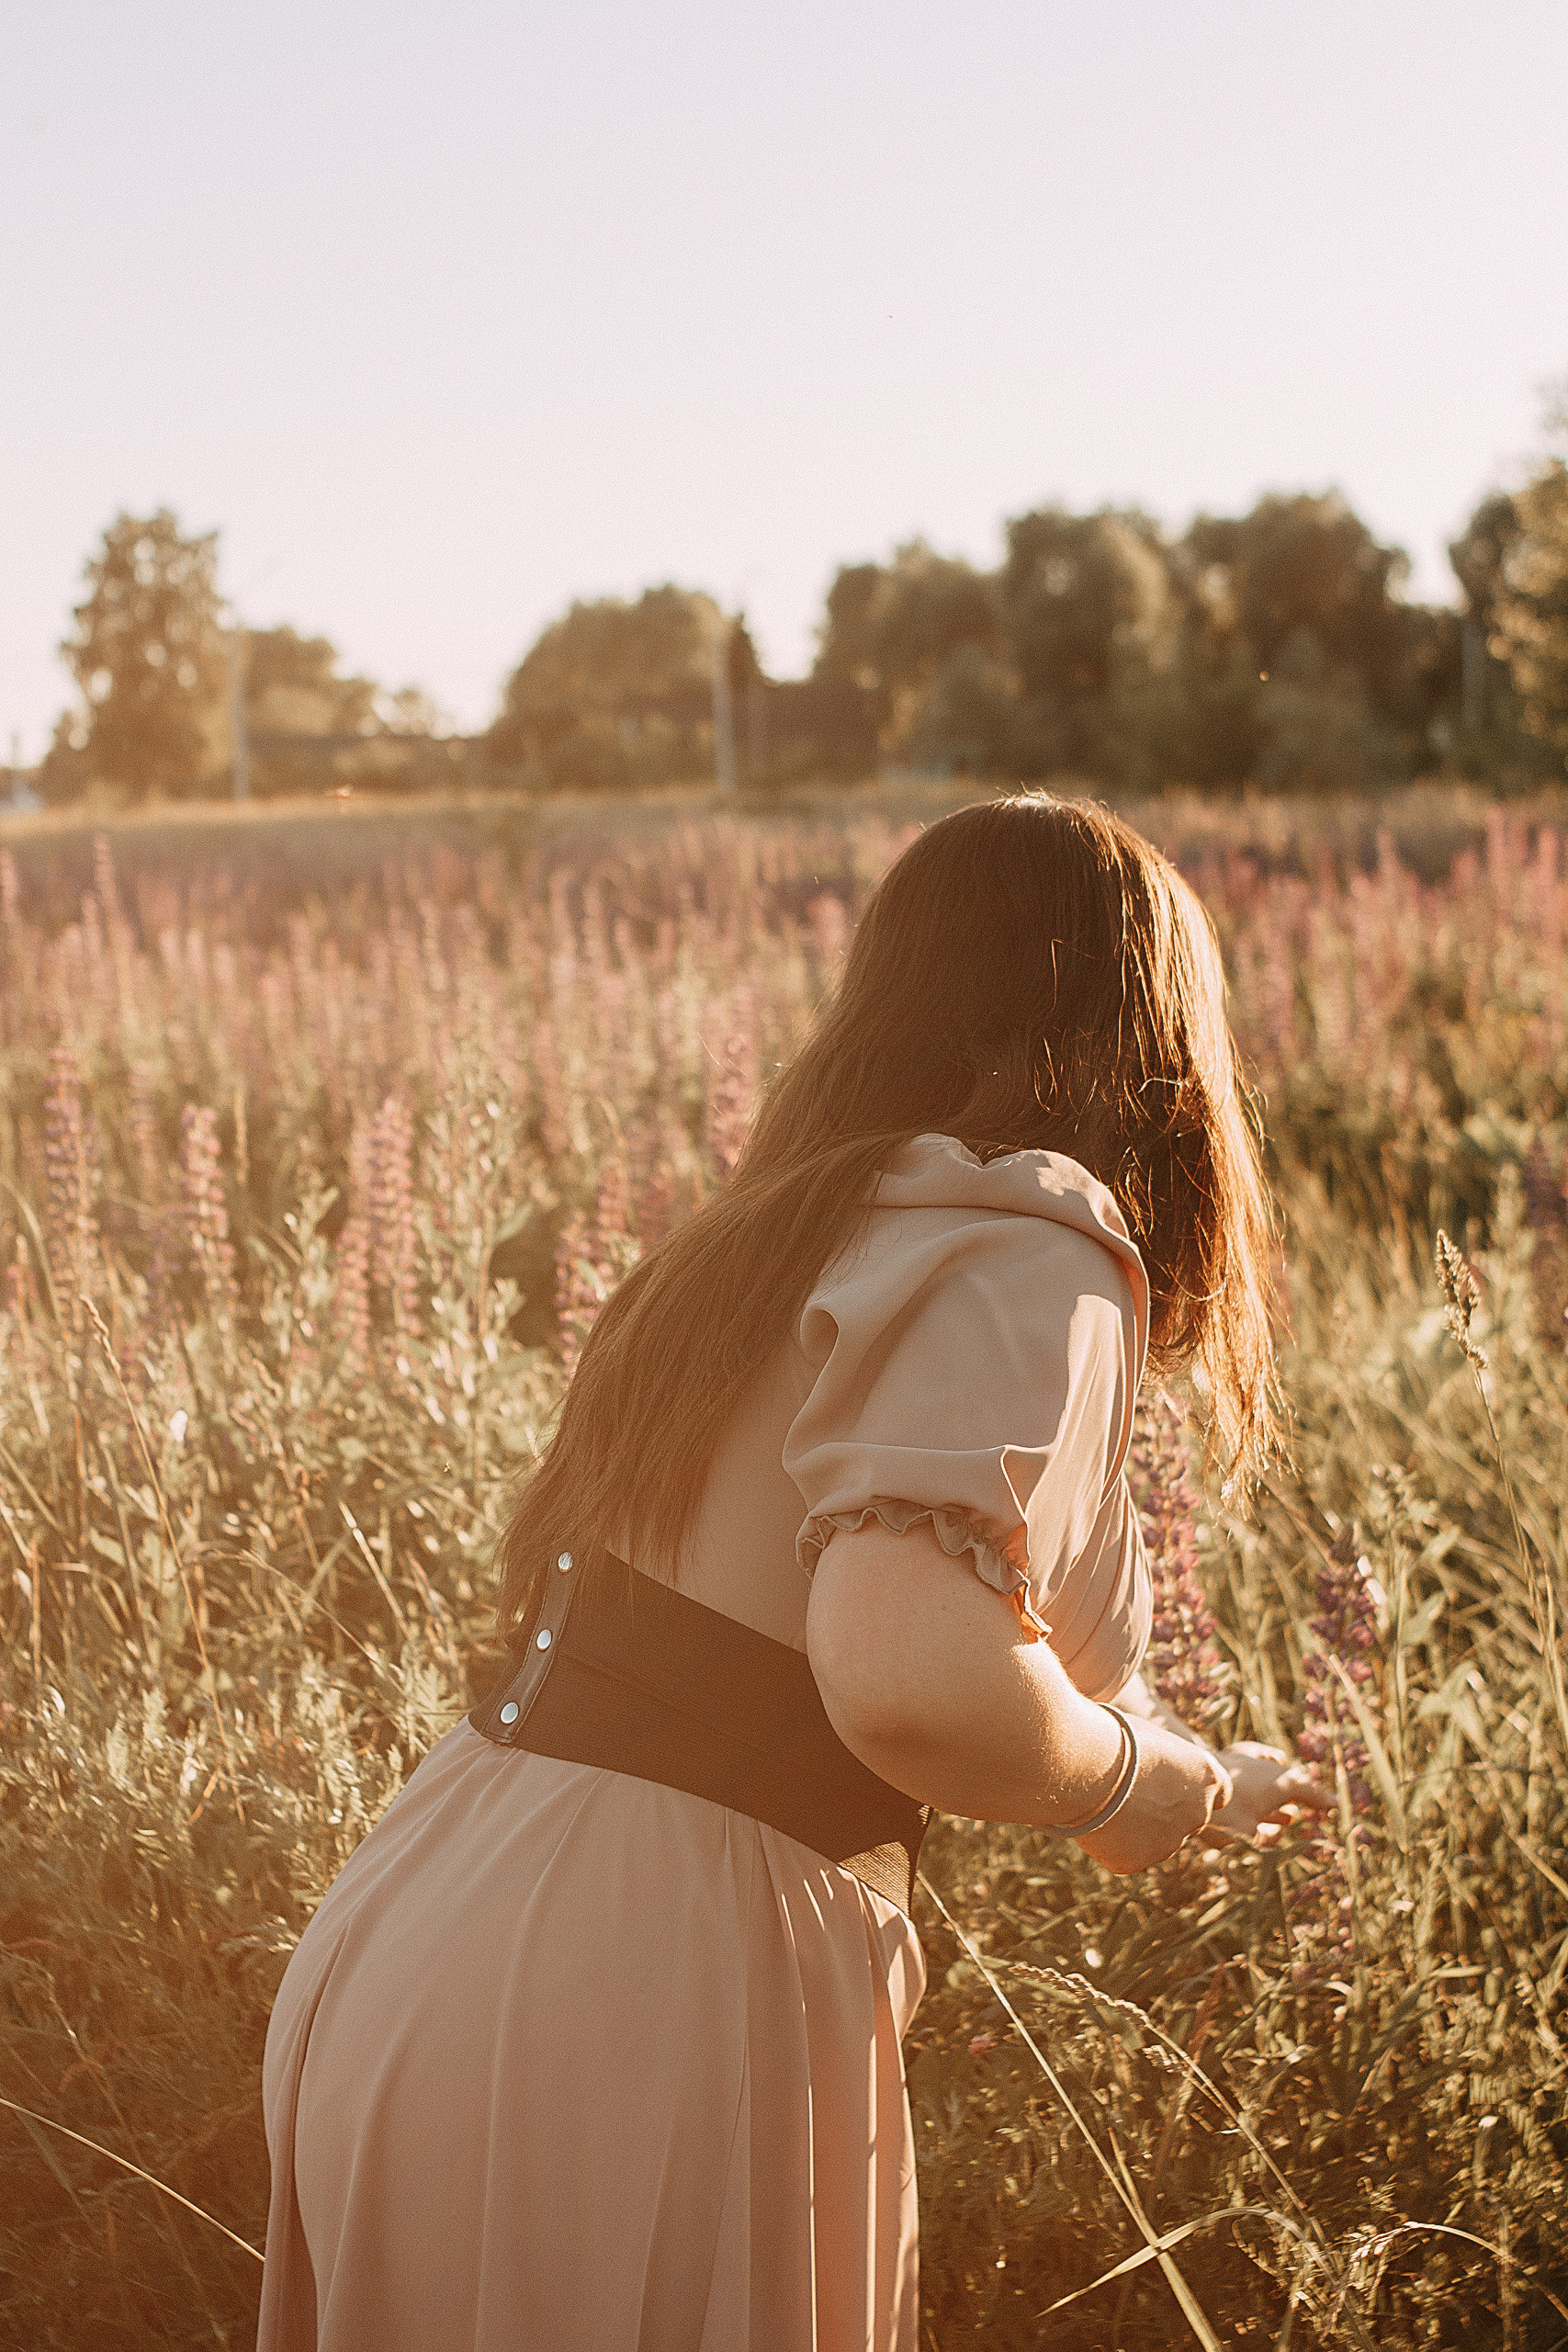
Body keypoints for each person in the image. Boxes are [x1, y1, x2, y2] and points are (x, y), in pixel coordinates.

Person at [257, 795, 1325, 2352]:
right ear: (1152, 1041)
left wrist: (1189, 1781)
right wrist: (1127, 1783)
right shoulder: (1029, 1246)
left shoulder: (770, 1237)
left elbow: (998, 1676)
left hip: (428, 1918)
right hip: (649, 1984)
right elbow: (909, 1673)